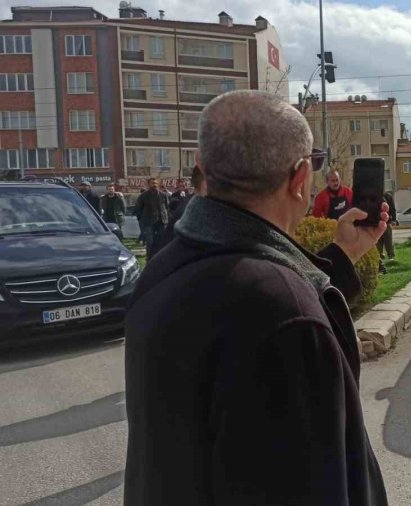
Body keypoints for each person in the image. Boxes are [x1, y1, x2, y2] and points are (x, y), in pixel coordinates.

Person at [124, 90, 389, 505]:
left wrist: (342, 257)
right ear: (300, 178)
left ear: (202, 169)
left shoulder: (162, 268)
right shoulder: (286, 319)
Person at [157, 166, 205, 251]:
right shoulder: (178, 201)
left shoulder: (190, 199)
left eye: (183, 185)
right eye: (180, 186)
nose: (182, 187)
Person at [132, 177, 169, 260]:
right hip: (148, 222)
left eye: (156, 183)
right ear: (148, 184)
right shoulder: (143, 196)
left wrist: (167, 219)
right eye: (152, 183)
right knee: (150, 241)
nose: (154, 185)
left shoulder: (163, 195)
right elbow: (138, 210)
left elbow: (167, 208)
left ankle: (161, 257)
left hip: (161, 222)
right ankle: (149, 258)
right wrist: (142, 221)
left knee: (161, 241)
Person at [378, 191, 397, 262]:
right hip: (377, 222)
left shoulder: (388, 196)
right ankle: (379, 255)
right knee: (378, 240)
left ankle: (390, 255)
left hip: (387, 221)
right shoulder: (374, 196)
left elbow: (392, 208)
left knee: (388, 239)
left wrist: (394, 219)